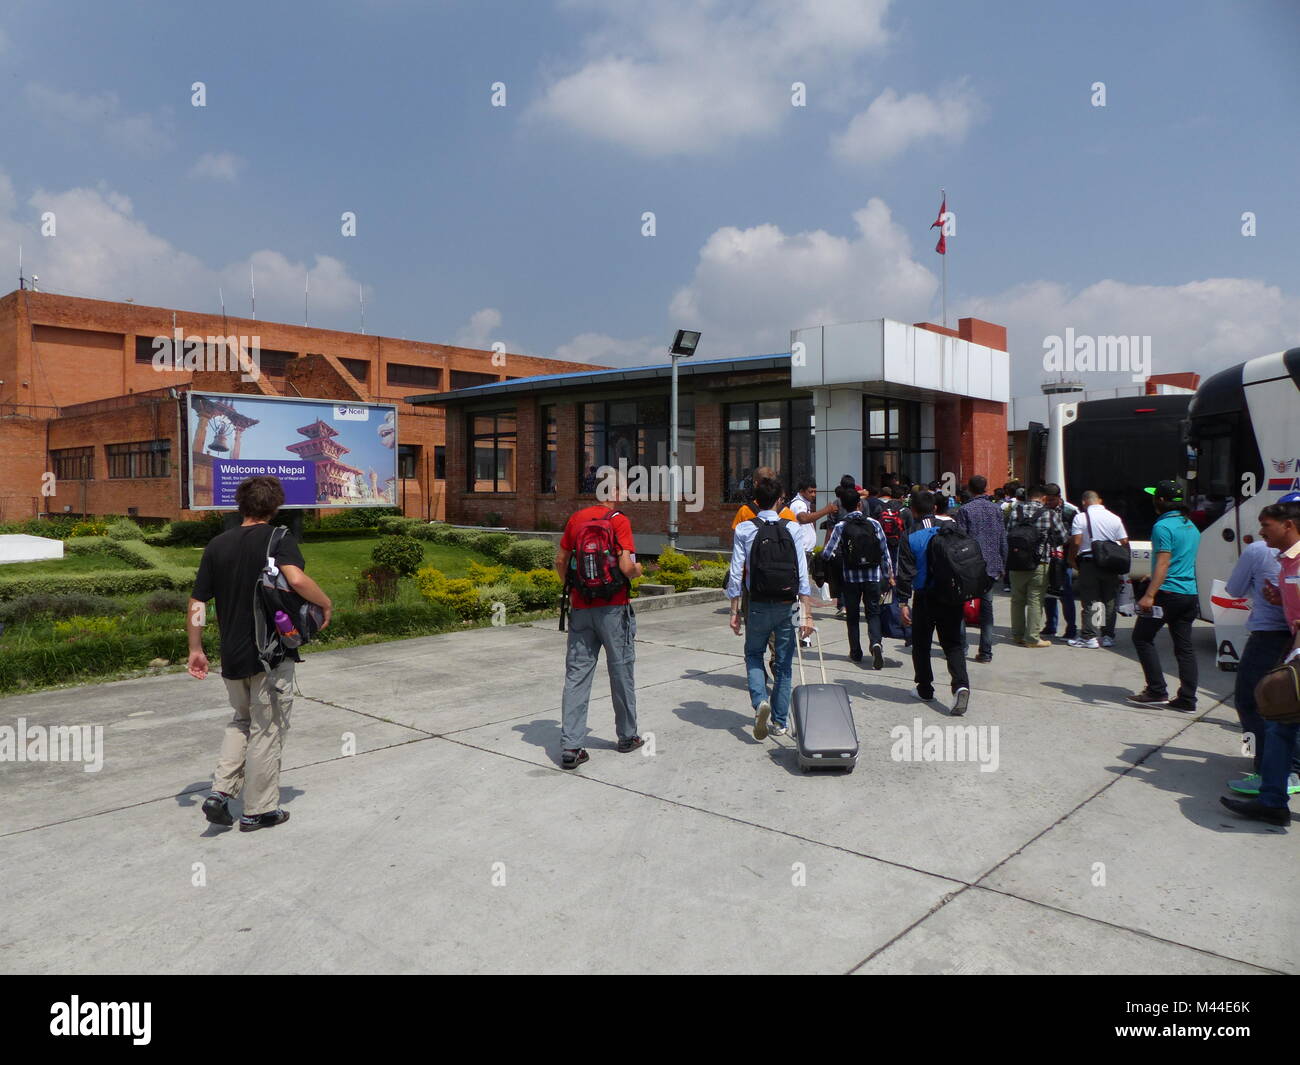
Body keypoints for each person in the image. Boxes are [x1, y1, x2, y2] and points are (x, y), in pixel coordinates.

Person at [188, 476, 332, 832]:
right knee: (266, 729)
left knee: (240, 722)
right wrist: (326, 604)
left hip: (232, 655)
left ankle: (220, 793)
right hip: (270, 654)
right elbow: (296, 580)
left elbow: (197, 602)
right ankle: (258, 810)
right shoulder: (279, 539)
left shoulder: (217, 545)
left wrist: (195, 648)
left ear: (240, 506)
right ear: (275, 506)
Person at [1222, 499, 1300, 826]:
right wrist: (1280, 598)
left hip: (1278, 644)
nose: (1260, 531)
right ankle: (1273, 799)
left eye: (1266, 524)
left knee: (1256, 705)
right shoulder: (1287, 563)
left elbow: (1234, 589)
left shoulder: (1291, 562)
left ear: (1288, 525)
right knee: (1281, 722)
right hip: (1290, 647)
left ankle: (1274, 788)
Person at [555, 493, 644, 769]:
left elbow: (560, 561)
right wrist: (639, 571)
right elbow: (627, 567)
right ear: (614, 494)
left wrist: (573, 589)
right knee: (620, 670)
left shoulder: (576, 519)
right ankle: (627, 737)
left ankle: (572, 746)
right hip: (613, 608)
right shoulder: (619, 522)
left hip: (581, 607)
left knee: (577, 674)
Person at [726, 477, 815, 740]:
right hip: (787, 604)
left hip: (757, 603)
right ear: (779, 501)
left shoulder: (744, 529)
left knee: (754, 655)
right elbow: (802, 574)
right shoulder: (793, 528)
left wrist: (734, 611)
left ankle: (759, 702)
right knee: (785, 665)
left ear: (755, 500)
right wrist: (807, 612)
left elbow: (736, 574)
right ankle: (779, 721)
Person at [896, 491, 971, 715]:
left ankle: (925, 689)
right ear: (935, 508)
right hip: (952, 594)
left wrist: (902, 602)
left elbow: (905, 572)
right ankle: (961, 685)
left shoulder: (910, 535)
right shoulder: (950, 529)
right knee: (953, 643)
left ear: (913, 510)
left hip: (925, 596)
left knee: (921, 644)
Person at [1128, 481, 1201, 711]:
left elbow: (1164, 561)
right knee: (1184, 647)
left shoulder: (1163, 527)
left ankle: (1156, 690)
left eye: (1154, 497)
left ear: (1159, 501)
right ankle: (1188, 699)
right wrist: (1152, 574)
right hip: (1188, 593)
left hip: (1167, 594)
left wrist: (1150, 594)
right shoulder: (1189, 525)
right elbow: (1179, 559)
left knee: (1142, 638)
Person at [823, 489, 893, 668]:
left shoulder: (841, 526)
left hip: (851, 577)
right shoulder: (874, 524)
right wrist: (889, 575)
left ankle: (855, 652)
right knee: (873, 613)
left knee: (852, 616)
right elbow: (885, 551)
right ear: (859, 504)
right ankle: (876, 642)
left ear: (843, 507)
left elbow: (827, 553)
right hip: (872, 576)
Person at [1005, 485, 1067, 647]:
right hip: (1040, 562)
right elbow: (1062, 537)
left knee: (1017, 600)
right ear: (1043, 497)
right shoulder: (1049, 513)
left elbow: (1008, 533)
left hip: (1016, 561)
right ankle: (1032, 638)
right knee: (1035, 599)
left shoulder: (1015, 511)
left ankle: (1017, 635)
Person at [955, 475, 1007, 663]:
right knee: (987, 609)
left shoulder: (965, 510)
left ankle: (961, 647)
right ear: (986, 488)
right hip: (991, 565)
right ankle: (986, 651)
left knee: (961, 606)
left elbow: (960, 540)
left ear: (969, 488)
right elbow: (1003, 539)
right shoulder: (996, 510)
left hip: (970, 565)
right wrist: (1003, 563)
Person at [1067, 490, 1129, 649]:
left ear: (1083, 502)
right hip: (1110, 564)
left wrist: (1072, 558)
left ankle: (1090, 637)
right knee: (1109, 600)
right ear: (1100, 501)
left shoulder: (1081, 517)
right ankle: (1108, 636)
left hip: (1089, 563)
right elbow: (1124, 541)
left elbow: (1076, 541)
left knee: (1090, 600)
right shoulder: (1115, 518)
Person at [1041, 484, 1079, 641]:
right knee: (1049, 593)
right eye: (1047, 500)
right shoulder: (1042, 509)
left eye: (1052, 500)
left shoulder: (1071, 511)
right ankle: (1051, 626)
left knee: (1066, 594)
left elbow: (1076, 534)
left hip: (1064, 559)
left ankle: (1071, 628)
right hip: (1048, 556)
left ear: (1059, 497)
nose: (1049, 502)